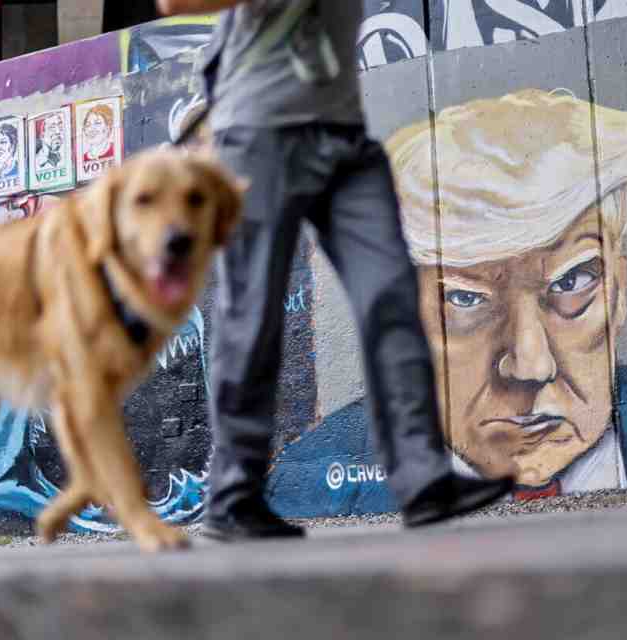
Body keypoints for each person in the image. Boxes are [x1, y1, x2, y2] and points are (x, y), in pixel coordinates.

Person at [156, 0, 515, 541]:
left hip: (345, 136)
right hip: (259, 132)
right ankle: (233, 497)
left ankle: (421, 480)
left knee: (391, 293)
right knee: (251, 311)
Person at [384, 88, 627, 496]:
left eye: (571, 283)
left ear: (619, 290)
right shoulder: (307, 478)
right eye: (465, 298)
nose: (531, 365)